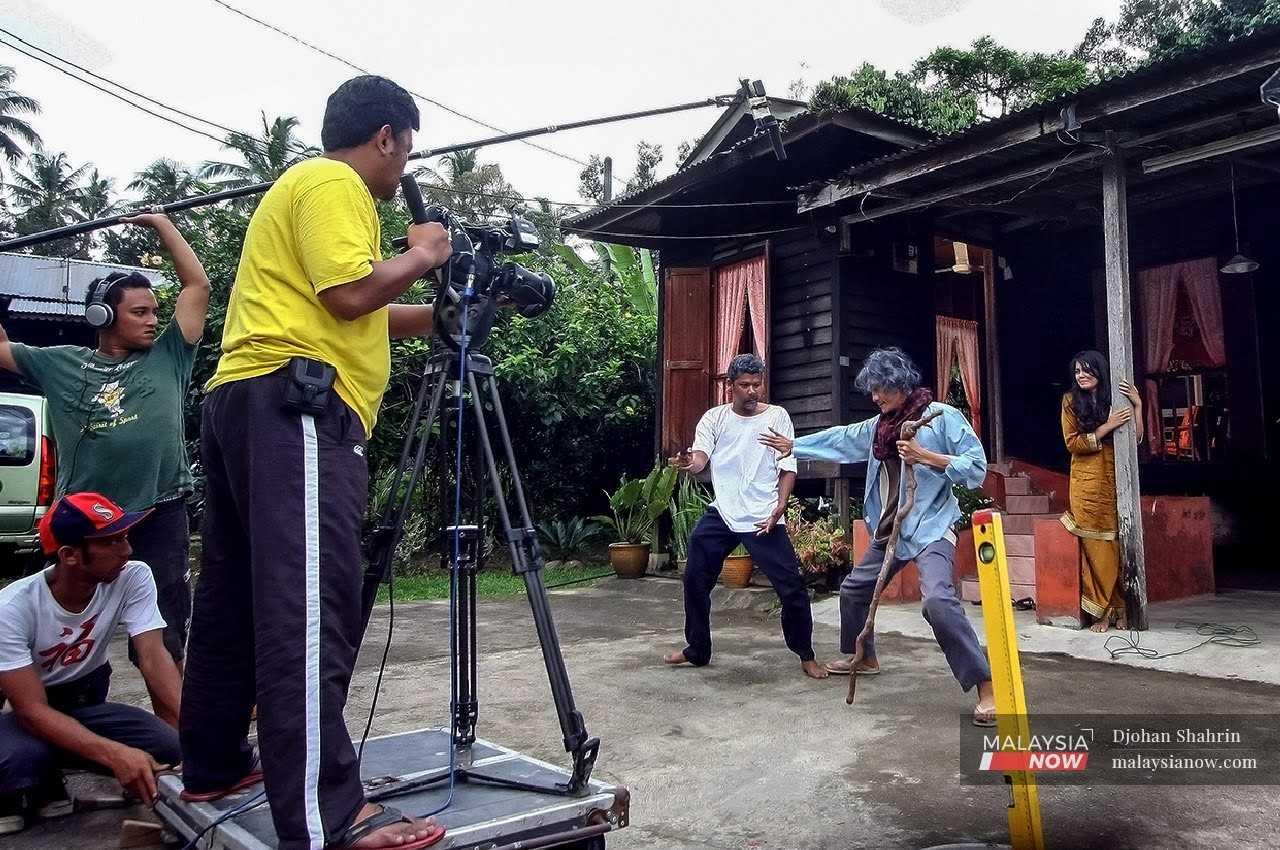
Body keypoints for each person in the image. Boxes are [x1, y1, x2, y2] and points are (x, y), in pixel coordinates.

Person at [178, 76, 452, 850]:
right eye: (407, 148)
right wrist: (425, 254)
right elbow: (348, 295)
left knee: (235, 597)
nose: (404, 169)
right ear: (388, 137)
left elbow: (356, 309)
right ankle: (328, 816)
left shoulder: (303, 186)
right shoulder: (336, 181)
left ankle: (213, 763)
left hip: (248, 398)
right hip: (298, 409)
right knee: (306, 608)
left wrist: (439, 316)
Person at [0, 213, 210, 674]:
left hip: (159, 512)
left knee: (164, 634)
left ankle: (176, 737)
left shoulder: (170, 355)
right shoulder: (58, 363)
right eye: (140, 312)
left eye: (155, 311)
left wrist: (162, 225)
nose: (153, 320)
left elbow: (197, 288)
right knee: (66, 629)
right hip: (83, 525)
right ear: (103, 316)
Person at [760, 347, 997, 726]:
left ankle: (985, 686)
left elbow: (977, 468)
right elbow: (840, 439)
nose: (873, 397)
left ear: (898, 384)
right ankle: (864, 656)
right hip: (890, 530)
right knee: (854, 590)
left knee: (937, 602)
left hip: (932, 526)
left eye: (878, 389)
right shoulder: (878, 428)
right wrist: (795, 446)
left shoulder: (942, 418)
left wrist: (926, 457)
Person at [0, 492, 181, 836]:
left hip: (82, 703)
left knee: (169, 745)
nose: (126, 550)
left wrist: (196, 729)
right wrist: (114, 754)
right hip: (25, 713)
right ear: (69, 555)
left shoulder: (133, 576)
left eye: (125, 537)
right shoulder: (12, 609)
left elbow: (154, 657)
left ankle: (48, 772)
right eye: (111, 542)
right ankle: (26, 784)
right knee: (24, 763)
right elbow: (31, 711)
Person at [663, 354, 827, 680]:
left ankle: (805, 654)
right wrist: (687, 462)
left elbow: (787, 468)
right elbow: (700, 461)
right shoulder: (714, 419)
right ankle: (697, 650)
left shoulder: (778, 417)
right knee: (695, 580)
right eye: (744, 385)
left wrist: (780, 507)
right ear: (730, 387)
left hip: (762, 516)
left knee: (792, 589)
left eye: (757, 384)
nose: (752, 391)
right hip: (723, 513)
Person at [1060, 350, 1143, 633]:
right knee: (1097, 546)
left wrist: (1138, 405)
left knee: (1119, 544)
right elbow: (1072, 443)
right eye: (1077, 372)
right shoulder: (1070, 401)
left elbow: (1136, 438)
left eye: (1086, 370)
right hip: (1086, 483)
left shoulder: (1115, 400)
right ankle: (1102, 612)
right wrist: (1107, 426)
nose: (1081, 376)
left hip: (1115, 480)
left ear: (1099, 371)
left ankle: (1122, 609)